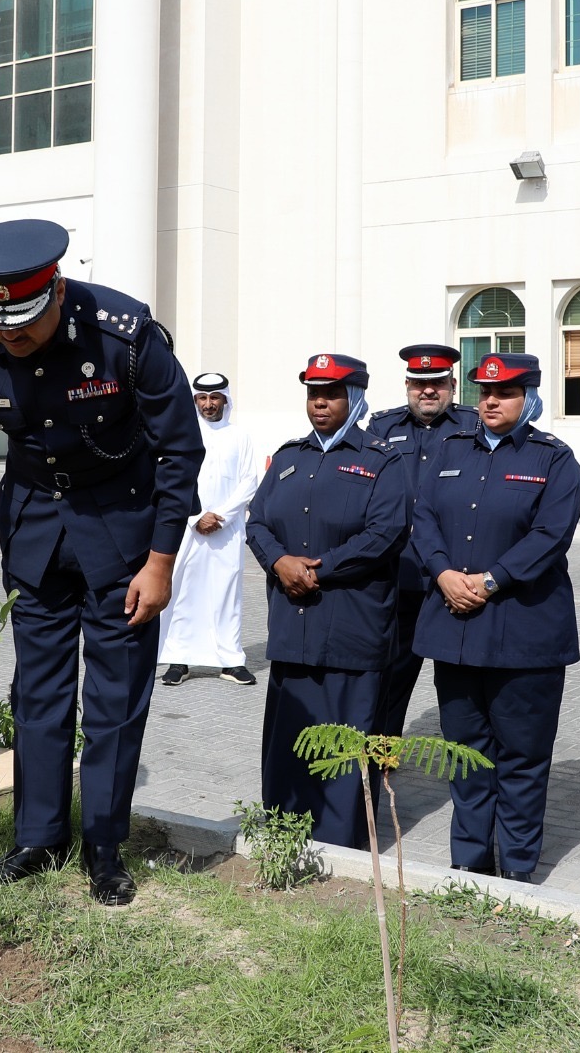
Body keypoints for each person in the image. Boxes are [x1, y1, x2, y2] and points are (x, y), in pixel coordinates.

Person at [0, 219, 203, 906]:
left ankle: (103, 845)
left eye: (23, 327)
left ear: (58, 293)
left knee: (115, 699)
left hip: (123, 537)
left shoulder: (126, 337)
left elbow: (180, 452)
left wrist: (160, 561)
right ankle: (38, 839)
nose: (9, 340)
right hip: (35, 537)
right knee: (37, 695)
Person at [410, 353, 580, 882]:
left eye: (505, 392)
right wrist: (442, 574)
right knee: (464, 754)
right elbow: (423, 519)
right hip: (456, 628)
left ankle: (518, 872)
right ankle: (468, 864)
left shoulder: (554, 459)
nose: (490, 401)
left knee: (522, 758)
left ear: (529, 396)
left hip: (523, 632)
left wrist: (489, 581)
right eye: (484, 391)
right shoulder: (446, 449)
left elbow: (550, 537)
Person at [246, 354, 408, 850]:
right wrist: (279, 563)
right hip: (294, 630)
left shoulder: (384, 460)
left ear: (356, 397)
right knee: (289, 743)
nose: (320, 402)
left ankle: (342, 852)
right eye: (313, 392)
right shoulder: (290, 456)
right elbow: (256, 522)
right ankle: (282, 840)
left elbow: (386, 532)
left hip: (351, 631)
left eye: (332, 393)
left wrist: (316, 569)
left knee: (346, 752)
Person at [368, 343, 479, 736]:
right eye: (419, 383)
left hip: (453, 577)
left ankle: (467, 758)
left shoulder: (475, 425)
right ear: (407, 385)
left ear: (451, 384)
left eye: (436, 383)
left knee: (461, 683)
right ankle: (382, 755)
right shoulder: (382, 428)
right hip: (401, 577)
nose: (427, 391)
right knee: (390, 675)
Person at [157, 372, 261, 687]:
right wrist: (196, 515)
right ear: (195, 401)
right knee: (183, 590)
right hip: (189, 528)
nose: (208, 404)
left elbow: (249, 482)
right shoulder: (182, 434)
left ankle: (230, 661)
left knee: (227, 593)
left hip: (226, 532)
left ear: (225, 400)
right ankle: (179, 659)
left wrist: (221, 516)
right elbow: (172, 477)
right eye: (202, 398)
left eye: (214, 397)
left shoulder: (239, 436)